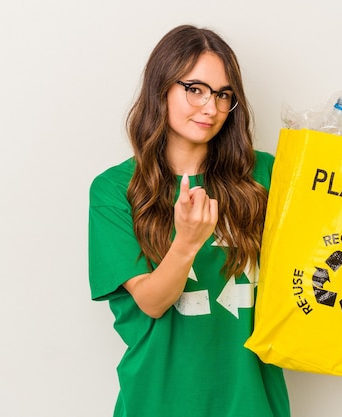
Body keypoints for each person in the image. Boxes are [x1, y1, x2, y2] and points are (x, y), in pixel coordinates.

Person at [88, 25, 290, 417]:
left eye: (222, 94)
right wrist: (186, 242)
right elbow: (151, 302)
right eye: (194, 89)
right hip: (157, 401)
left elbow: (330, 233)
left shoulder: (265, 176)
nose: (210, 107)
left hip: (252, 402)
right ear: (160, 88)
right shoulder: (114, 190)